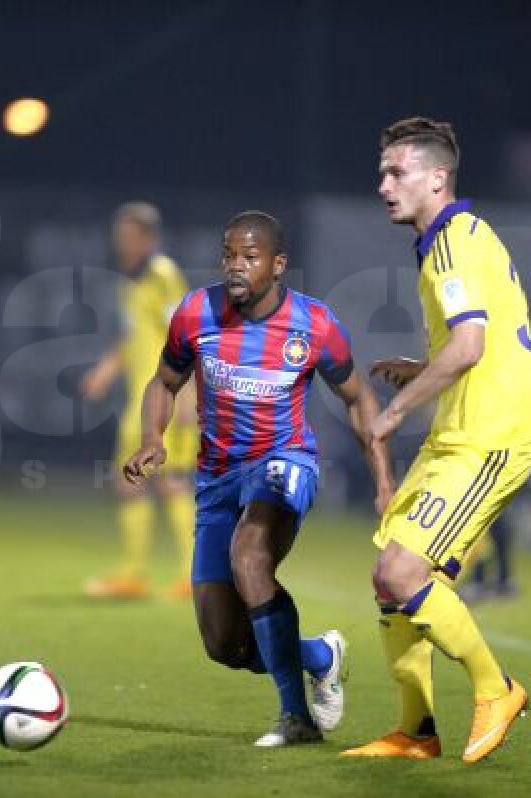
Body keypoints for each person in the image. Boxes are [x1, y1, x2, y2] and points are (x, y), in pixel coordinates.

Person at [124, 211, 395, 747]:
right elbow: (164, 381)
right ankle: (321, 655)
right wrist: (152, 438)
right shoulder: (196, 312)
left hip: (284, 462)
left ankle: (296, 720)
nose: (235, 267)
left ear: (278, 264)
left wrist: (383, 480)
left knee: (251, 554)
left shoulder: (314, 324)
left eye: (249, 257)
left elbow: (358, 397)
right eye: (229, 255)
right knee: (223, 643)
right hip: (217, 478)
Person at [342, 117, 531, 764]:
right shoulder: (450, 241)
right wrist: (425, 371)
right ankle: (416, 730)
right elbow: (474, 347)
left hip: (486, 441)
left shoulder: (453, 240)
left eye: (396, 172)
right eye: (381, 173)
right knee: (387, 579)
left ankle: (497, 688)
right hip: (459, 434)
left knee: (402, 571)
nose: (383, 185)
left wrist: (396, 408)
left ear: (437, 177)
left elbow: (471, 345)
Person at [80, 202, 199, 600]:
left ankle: (191, 576)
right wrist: (106, 369)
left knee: (172, 482)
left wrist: (187, 394)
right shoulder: (130, 281)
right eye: (119, 236)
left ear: (149, 238)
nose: (122, 243)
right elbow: (134, 337)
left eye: (130, 236)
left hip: (166, 395)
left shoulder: (163, 275)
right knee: (130, 482)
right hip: (139, 401)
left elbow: (185, 335)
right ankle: (134, 574)